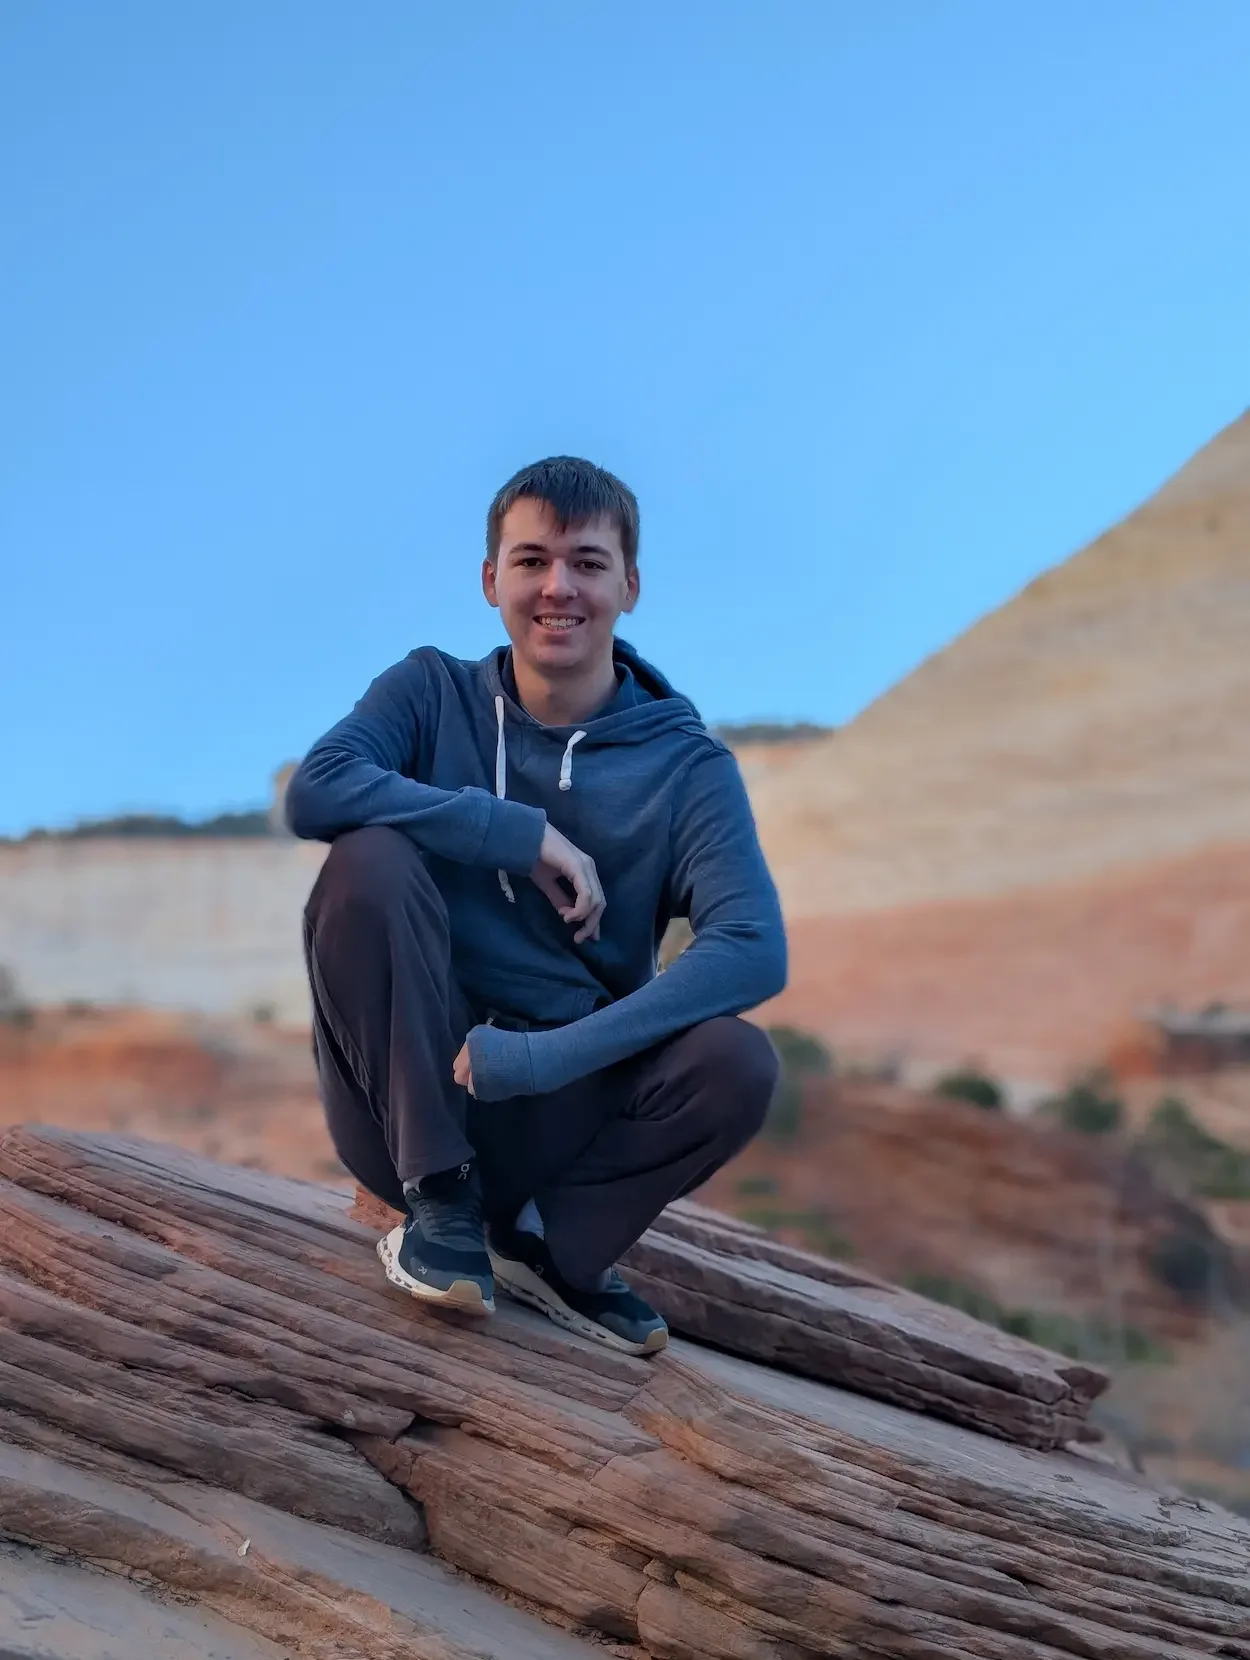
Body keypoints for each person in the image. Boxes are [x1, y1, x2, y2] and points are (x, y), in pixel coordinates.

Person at [286, 456, 787, 1356]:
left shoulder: (686, 767)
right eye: (532, 561)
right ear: (492, 581)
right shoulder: (430, 693)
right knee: (368, 862)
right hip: (406, 1106)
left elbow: (752, 946)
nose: (559, 588)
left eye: (588, 563)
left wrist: (542, 1058)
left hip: (562, 1109)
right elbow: (318, 789)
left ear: (630, 587)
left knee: (737, 1060)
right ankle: (440, 1201)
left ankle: (550, 1249)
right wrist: (511, 833)